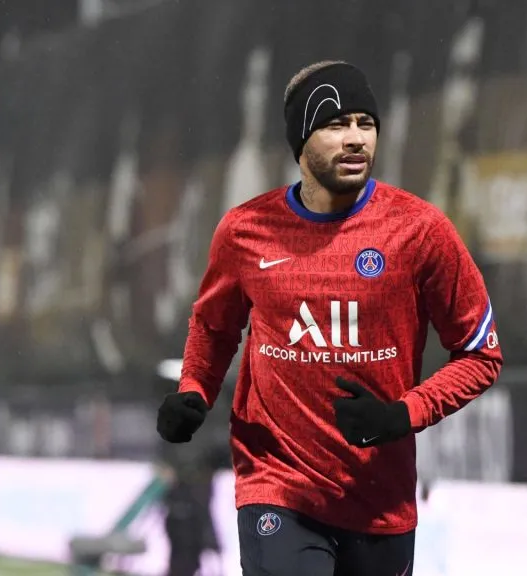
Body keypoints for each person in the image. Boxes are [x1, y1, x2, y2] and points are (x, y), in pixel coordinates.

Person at [155, 60, 502, 576]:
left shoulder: (420, 231)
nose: (356, 138)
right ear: (300, 140)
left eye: (366, 123)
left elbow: (480, 353)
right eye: (337, 124)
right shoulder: (245, 231)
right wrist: (193, 390)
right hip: (278, 485)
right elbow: (214, 327)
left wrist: (403, 414)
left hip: (379, 501)